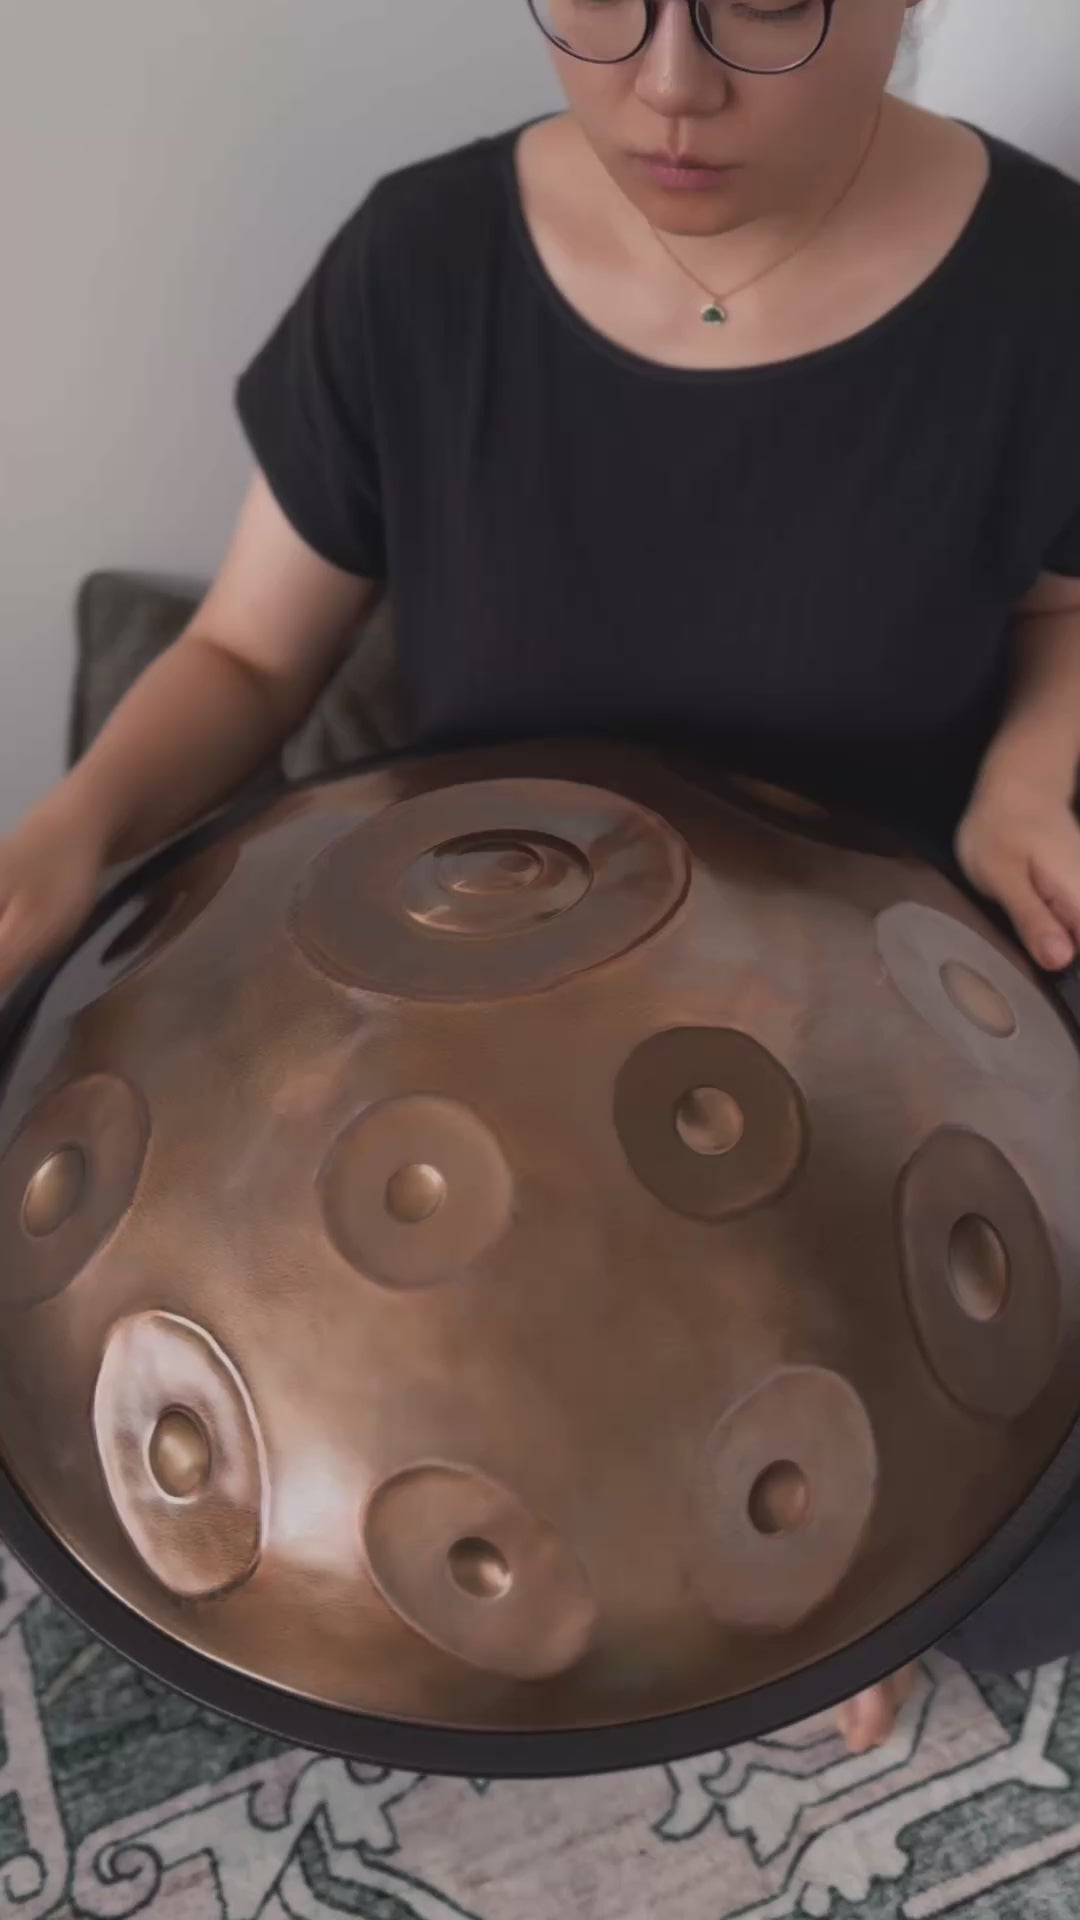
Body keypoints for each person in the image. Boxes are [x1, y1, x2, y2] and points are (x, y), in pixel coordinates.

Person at [3, 0, 1080, 1752]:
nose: (669, 83)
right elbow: (249, 658)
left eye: (764, 1)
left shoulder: (1047, 284)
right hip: (462, 1008)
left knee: (1031, 1528)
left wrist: (1034, 774)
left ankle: (839, 1543)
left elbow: (1063, 604)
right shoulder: (420, 259)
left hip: (864, 1027)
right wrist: (70, 832)